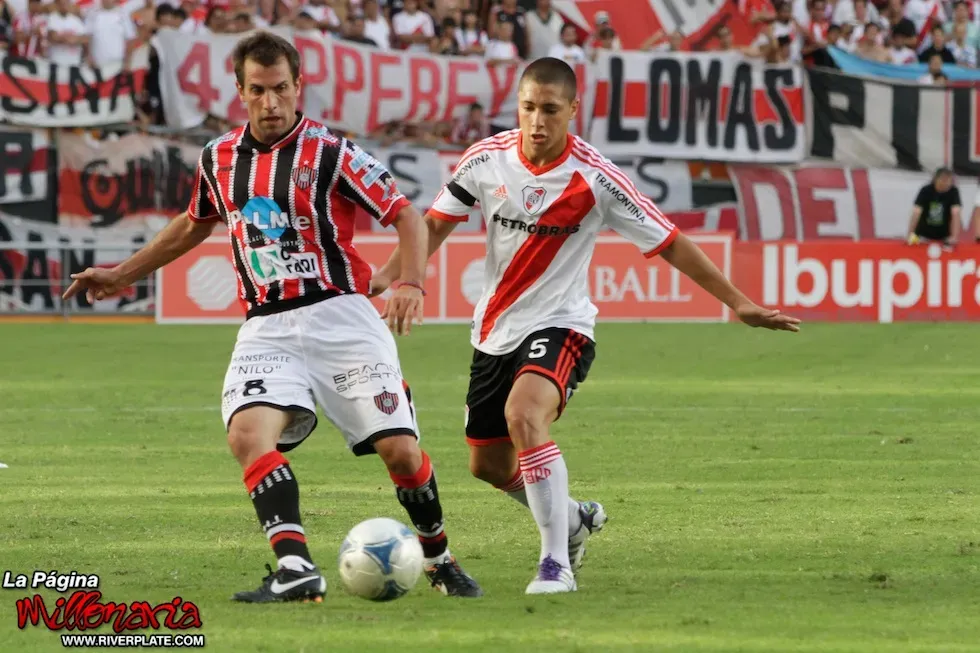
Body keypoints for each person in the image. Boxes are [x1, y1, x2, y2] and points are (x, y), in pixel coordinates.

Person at [63, 31, 482, 603]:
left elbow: (406, 216)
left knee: (401, 453)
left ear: (298, 85)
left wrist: (411, 282)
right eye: (257, 90)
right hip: (267, 326)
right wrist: (122, 274)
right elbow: (192, 224)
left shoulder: (332, 153)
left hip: (342, 317)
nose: (270, 102)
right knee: (247, 435)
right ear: (239, 91)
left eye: (280, 88)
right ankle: (296, 568)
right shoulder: (219, 158)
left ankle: (438, 557)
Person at [371, 57, 801, 595]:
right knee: (486, 463)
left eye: (550, 110)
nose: (537, 121)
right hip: (494, 330)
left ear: (573, 110)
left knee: (524, 415)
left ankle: (556, 564)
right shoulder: (486, 159)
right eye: (528, 108)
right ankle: (572, 517)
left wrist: (739, 303)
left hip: (563, 324)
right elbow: (433, 225)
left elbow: (672, 244)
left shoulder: (596, 178)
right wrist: (387, 278)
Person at [907, 167, 961, 249]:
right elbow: (916, 213)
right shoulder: (925, 191)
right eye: (943, 180)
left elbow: (956, 214)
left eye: (949, 181)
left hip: (944, 237)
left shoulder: (953, 192)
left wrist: (954, 237)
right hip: (923, 235)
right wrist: (910, 234)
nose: (946, 184)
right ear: (935, 179)